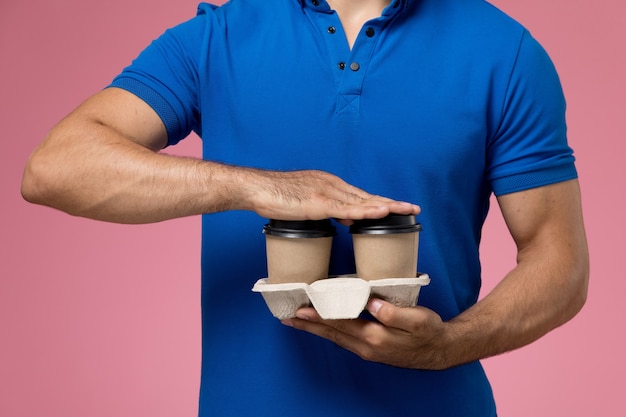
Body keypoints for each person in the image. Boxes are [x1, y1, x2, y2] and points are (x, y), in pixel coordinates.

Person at [21, 0, 589, 415]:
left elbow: (559, 264)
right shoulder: (215, 38)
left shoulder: (504, 51)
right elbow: (55, 167)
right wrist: (256, 186)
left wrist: (448, 347)